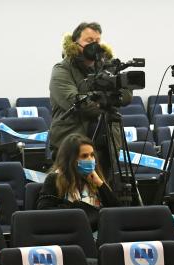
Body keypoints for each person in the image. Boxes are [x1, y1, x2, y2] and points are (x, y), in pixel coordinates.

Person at [49, 22, 132, 170]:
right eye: (89, 41)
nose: (94, 45)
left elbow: (126, 94)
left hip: (106, 144)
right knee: (73, 189)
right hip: (72, 144)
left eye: (97, 41)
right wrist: (106, 101)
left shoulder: (107, 66)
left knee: (107, 189)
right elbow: (76, 102)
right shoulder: (62, 70)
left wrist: (103, 100)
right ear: (75, 43)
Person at [36, 134, 119, 231]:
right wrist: (77, 208)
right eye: (84, 156)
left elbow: (116, 211)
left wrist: (101, 184)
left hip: (98, 232)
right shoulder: (54, 178)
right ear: (71, 159)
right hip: (70, 232)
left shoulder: (95, 178)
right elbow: (43, 211)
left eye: (92, 155)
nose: (90, 159)